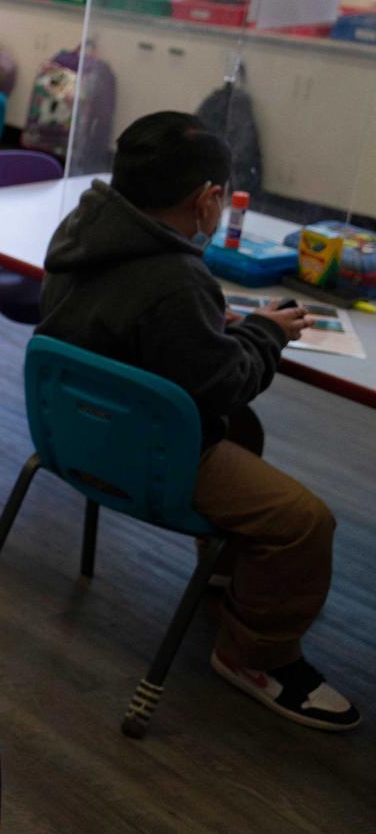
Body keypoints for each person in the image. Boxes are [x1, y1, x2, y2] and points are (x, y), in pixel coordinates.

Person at [38, 111, 355, 731]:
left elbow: (131, 329)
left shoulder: (85, 226)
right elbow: (228, 384)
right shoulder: (178, 279)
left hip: (70, 431)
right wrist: (265, 331)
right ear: (209, 199)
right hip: (140, 454)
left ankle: (231, 579)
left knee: (246, 433)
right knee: (305, 523)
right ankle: (254, 657)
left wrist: (211, 333)